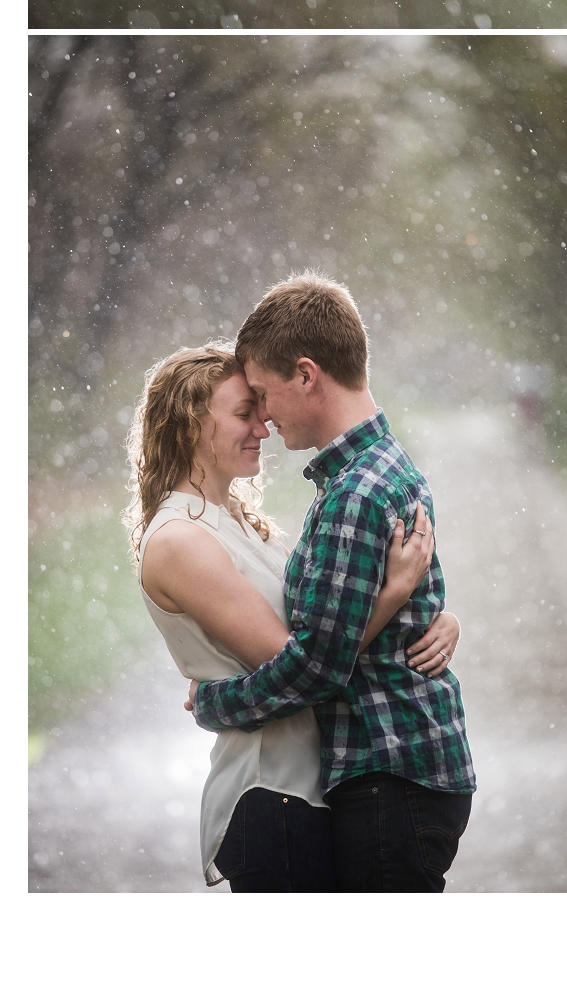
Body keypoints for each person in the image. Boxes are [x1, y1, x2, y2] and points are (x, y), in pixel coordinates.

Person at [127, 342, 457, 891]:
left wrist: (433, 618)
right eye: (243, 413)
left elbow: (327, 614)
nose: (263, 425)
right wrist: (393, 595)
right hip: (269, 794)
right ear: (188, 428)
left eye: (260, 406)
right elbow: (301, 662)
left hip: (309, 789)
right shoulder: (180, 538)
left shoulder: (229, 518)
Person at [190, 274, 478, 892]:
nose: (263, 417)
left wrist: (215, 702)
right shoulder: (380, 470)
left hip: (391, 778)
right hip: (403, 775)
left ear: (306, 375)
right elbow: (364, 625)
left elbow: (319, 665)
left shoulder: (356, 492)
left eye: (264, 394)